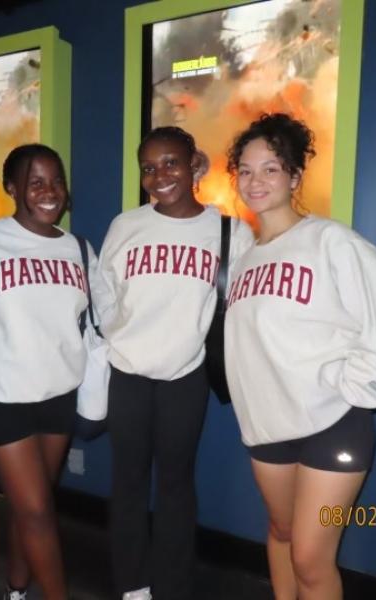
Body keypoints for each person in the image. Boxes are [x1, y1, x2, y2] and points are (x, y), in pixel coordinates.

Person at [224, 113, 376, 600]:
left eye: (271, 168)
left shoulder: (330, 241)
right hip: (267, 427)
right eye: (247, 169)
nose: (256, 180)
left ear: (295, 177)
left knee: (310, 557)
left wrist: (354, 385)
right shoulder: (244, 259)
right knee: (280, 534)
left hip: (334, 427)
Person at [95, 126, 254, 600]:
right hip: (127, 374)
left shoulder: (229, 230)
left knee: (176, 487)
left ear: (195, 166)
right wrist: (115, 331)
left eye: (171, 163)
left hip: (185, 377)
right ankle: (131, 585)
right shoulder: (127, 225)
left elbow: (244, 304)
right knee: (126, 484)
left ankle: (171, 585)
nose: (159, 175)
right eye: (149, 167)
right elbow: (103, 287)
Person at [0, 144, 94, 600]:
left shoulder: (78, 248)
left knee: (30, 505)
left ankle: (16, 590)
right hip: (1, 399)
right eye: (35, 181)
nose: (49, 192)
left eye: (56, 181)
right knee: (39, 510)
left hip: (59, 396)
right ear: (11, 188)